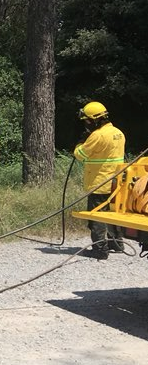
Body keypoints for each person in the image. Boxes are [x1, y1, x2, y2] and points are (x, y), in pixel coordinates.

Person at [74, 101, 126, 260]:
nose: (86, 124)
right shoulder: (118, 132)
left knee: (96, 217)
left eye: (87, 121)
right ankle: (116, 244)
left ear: (95, 120)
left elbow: (80, 154)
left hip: (99, 183)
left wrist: (80, 143)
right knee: (112, 215)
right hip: (116, 183)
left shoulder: (97, 135)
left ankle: (100, 249)